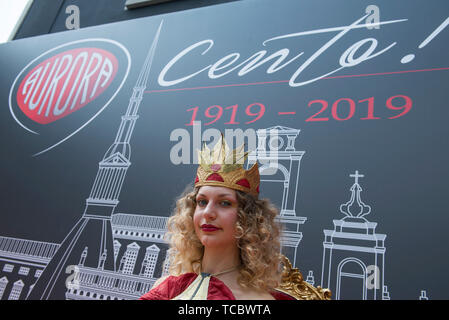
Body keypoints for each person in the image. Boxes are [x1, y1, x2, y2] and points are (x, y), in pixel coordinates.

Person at [139, 135, 295, 300]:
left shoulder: (257, 300)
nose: (208, 212)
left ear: (248, 218)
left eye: (225, 203)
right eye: (202, 202)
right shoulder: (167, 287)